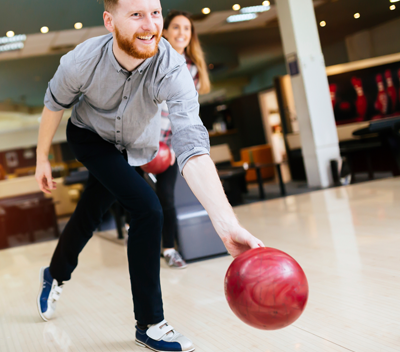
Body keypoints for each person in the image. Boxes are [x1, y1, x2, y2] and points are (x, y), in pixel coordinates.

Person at [35, 0, 264, 351]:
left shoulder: (172, 67)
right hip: (89, 137)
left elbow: (191, 141)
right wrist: (41, 158)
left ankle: (54, 274)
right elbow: (54, 104)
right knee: (148, 208)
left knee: (91, 212)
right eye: (137, 14)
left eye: (155, 13)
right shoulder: (82, 60)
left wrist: (226, 223)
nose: (150, 24)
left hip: (131, 145)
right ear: (110, 21)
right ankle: (151, 323)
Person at [151, 9, 212, 269]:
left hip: (167, 145)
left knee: (166, 197)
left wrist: (178, 146)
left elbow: (186, 113)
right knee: (137, 199)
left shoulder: (193, 69)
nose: (181, 33)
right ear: (164, 31)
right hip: (139, 141)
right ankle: (140, 235)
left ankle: (169, 249)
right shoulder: (151, 60)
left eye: (186, 29)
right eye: (176, 27)